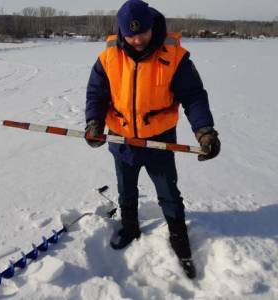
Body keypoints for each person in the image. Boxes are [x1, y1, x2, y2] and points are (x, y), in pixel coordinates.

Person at [85, 0, 220, 279]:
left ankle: (179, 239)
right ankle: (130, 227)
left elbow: (193, 97)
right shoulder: (108, 58)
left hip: (159, 141)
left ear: (152, 26)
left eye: (143, 32)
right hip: (122, 140)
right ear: (122, 32)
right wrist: (94, 122)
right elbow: (96, 94)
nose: (138, 39)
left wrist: (204, 130)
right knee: (126, 189)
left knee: (168, 193)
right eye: (131, 34)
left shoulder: (175, 56)